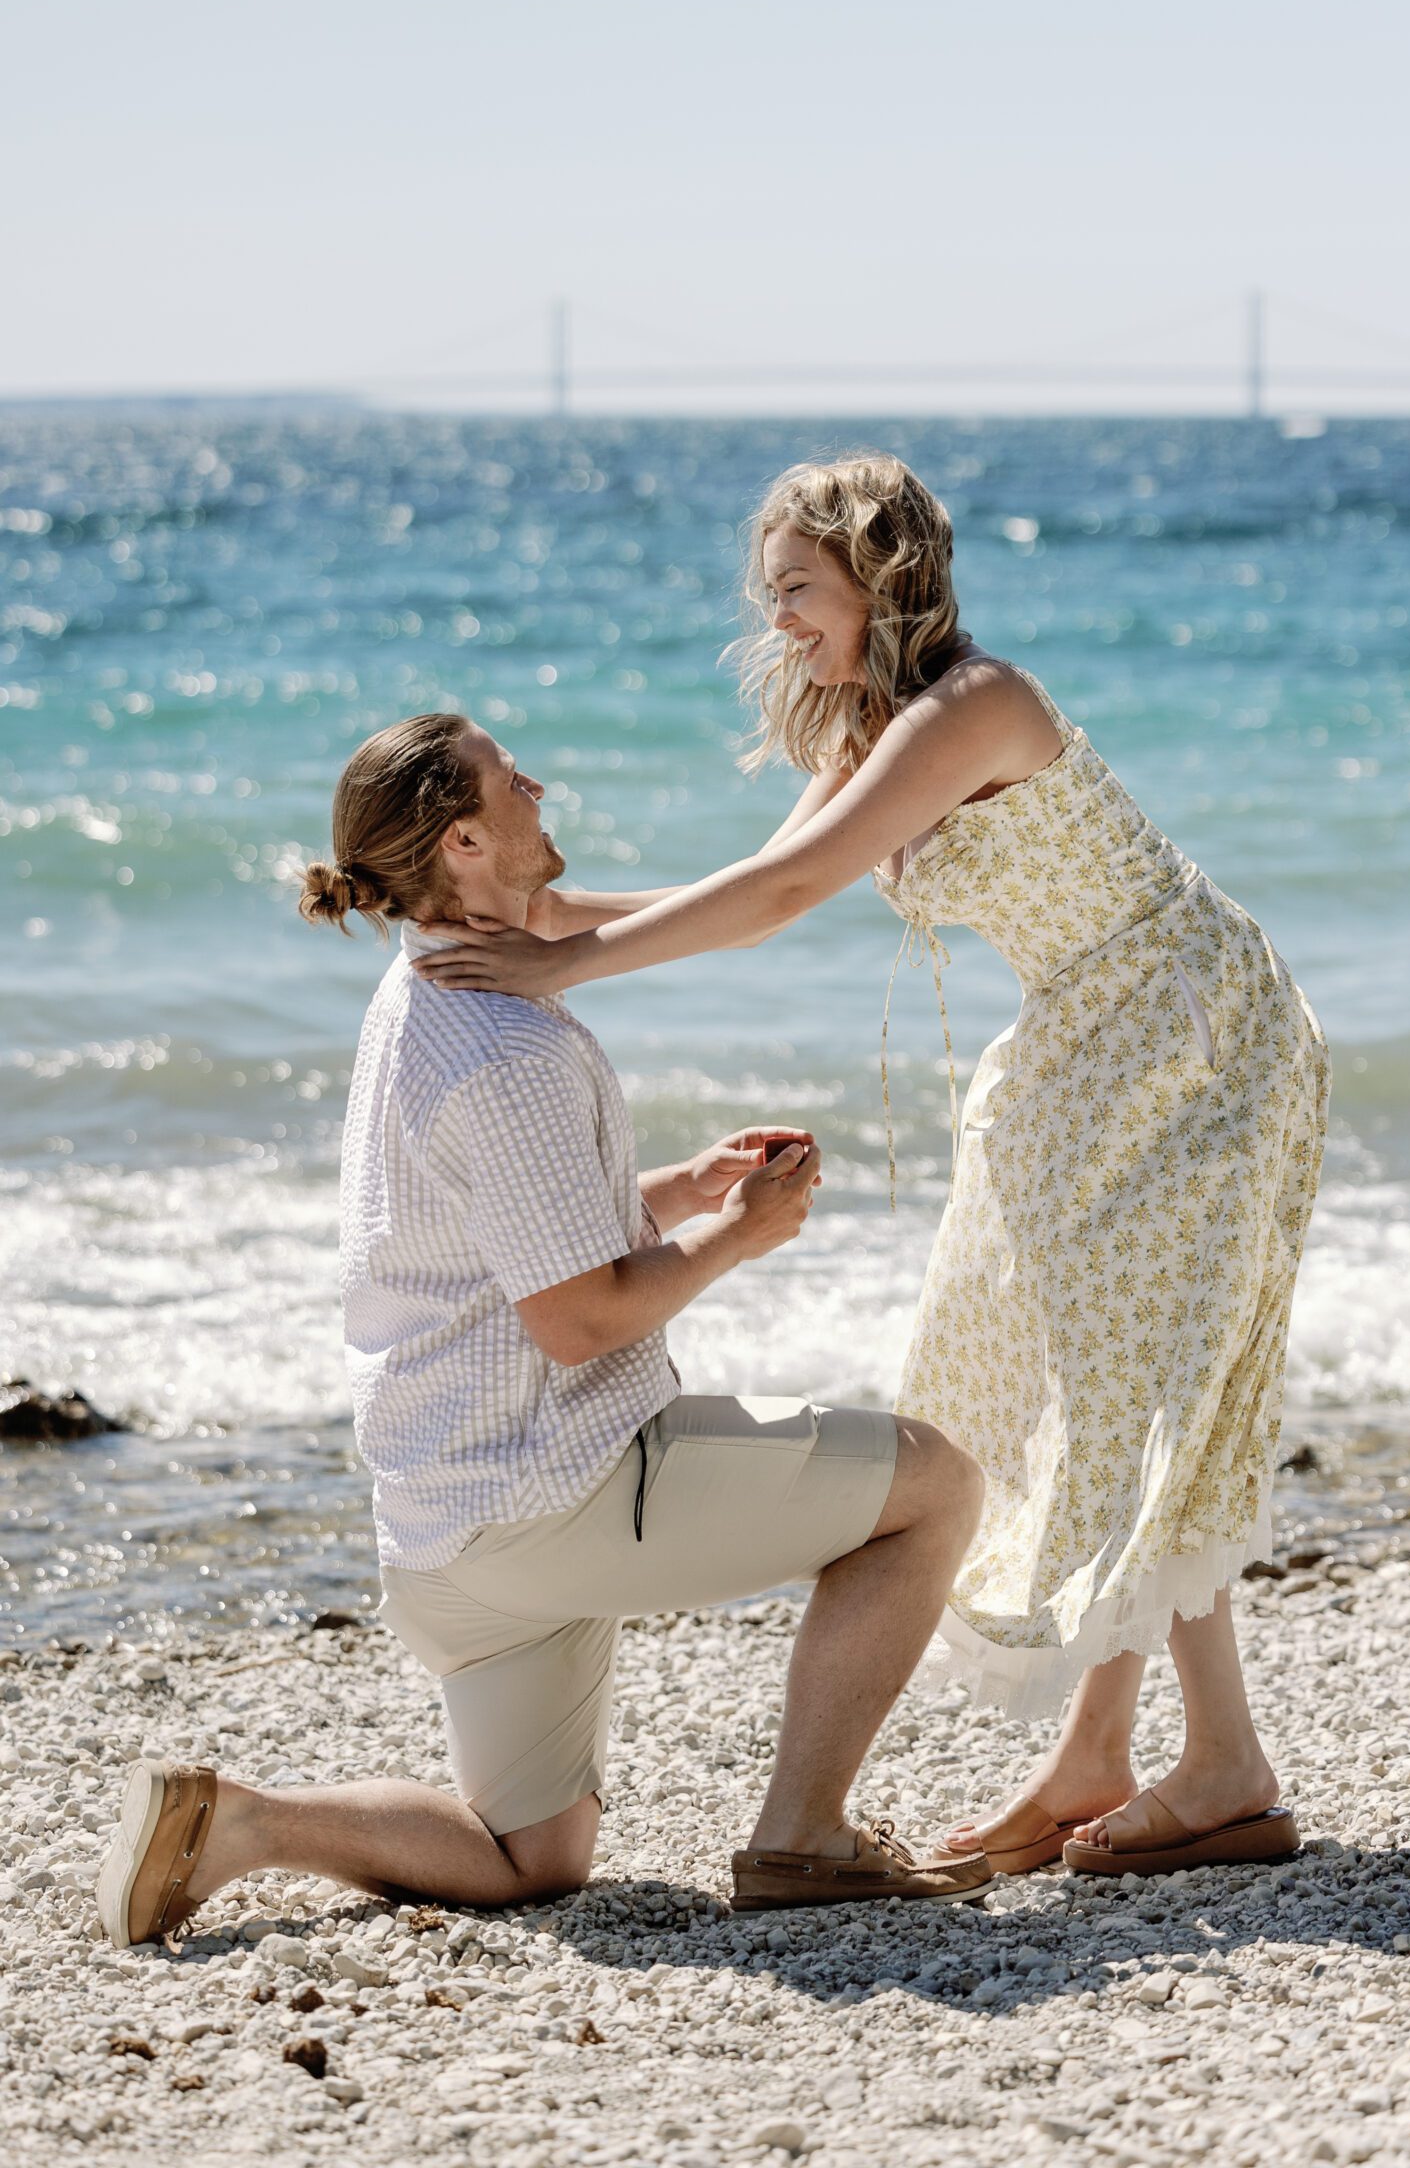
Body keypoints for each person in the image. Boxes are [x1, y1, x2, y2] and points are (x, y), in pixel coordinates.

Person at [412, 452, 1331, 1881]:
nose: (774, 616)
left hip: (1193, 1029)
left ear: (876, 571)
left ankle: (1215, 1768)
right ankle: (1116, 1755)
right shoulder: (867, 728)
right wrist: (505, 914)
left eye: (795, 585)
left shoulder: (977, 706)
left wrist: (561, 967)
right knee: (1100, 1381)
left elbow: (774, 900)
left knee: (1145, 1382)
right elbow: (746, 892)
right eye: (765, 590)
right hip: (1086, 1038)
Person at [96, 711, 991, 1948]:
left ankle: (243, 1825)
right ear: (467, 839)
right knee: (936, 1485)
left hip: (446, 1537)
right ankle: (804, 1837)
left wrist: (678, 1189)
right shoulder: (504, 1041)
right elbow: (577, 1321)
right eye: (511, 776)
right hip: (559, 1496)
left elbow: (499, 1238)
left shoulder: (423, 985)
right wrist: (739, 1235)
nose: (537, 781)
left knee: (535, 1856)